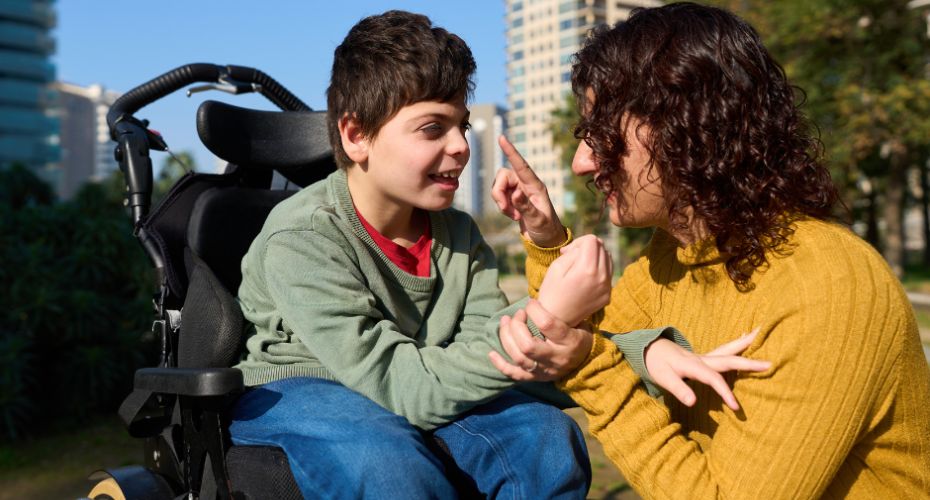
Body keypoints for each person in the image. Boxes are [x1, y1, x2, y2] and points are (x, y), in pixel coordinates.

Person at [226, 10, 745, 499]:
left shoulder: (456, 234)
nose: (461, 147)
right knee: (385, 463)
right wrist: (549, 316)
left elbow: (494, 354)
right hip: (304, 389)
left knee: (543, 440)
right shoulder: (301, 239)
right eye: (433, 128)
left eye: (463, 126)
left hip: (422, 376)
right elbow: (405, 387)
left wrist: (639, 353)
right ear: (357, 135)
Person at [490, 3, 930, 498]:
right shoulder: (670, 260)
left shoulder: (828, 283)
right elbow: (566, 333)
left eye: (601, 134)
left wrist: (591, 368)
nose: (581, 163)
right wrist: (547, 241)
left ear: (682, 123)